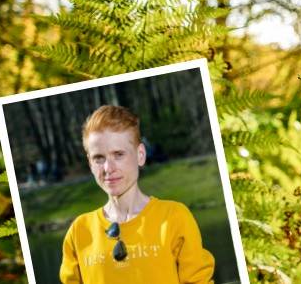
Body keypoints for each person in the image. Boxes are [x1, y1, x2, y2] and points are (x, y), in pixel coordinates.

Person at [59, 105, 215, 284]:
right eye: (99, 158)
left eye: (118, 154)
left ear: (140, 155)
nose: (108, 168)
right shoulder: (80, 232)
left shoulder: (173, 218)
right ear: (90, 163)